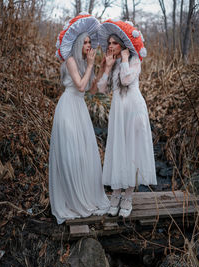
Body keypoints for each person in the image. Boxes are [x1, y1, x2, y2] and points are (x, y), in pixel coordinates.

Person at [49, 14, 110, 224]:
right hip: (67, 108)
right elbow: (80, 85)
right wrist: (92, 65)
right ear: (77, 44)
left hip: (80, 108)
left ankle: (85, 194)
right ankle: (71, 200)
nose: (88, 45)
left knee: (84, 154)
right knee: (71, 154)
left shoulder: (85, 62)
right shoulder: (71, 60)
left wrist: (102, 68)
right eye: (84, 42)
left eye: (89, 42)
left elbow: (91, 91)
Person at [97, 20, 157, 218]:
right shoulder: (111, 62)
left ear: (122, 45)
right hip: (118, 112)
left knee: (131, 150)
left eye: (114, 43)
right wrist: (107, 67)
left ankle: (128, 197)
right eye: (109, 43)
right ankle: (115, 195)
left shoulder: (134, 60)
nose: (110, 46)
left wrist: (123, 60)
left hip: (133, 110)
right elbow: (101, 89)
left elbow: (126, 80)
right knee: (118, 150)